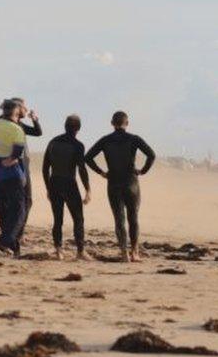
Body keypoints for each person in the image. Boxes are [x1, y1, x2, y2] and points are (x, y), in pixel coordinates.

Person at [85, 111, 156, 263]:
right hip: (131, 182)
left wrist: (101, 173)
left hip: (114, 182)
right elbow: (151, 155)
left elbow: (88, 157)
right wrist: (142, 171)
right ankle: (135, 253)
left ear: (112, 123)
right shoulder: (134, 139)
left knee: (119, 219)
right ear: (127, 123)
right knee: (133, 217)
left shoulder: (105, 140)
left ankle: (124, 253)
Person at [42, 114, 92, 260]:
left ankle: (59, 251)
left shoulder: (53, 142)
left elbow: (45, 168)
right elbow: (81, 169)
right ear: (78, 129)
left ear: (65, 126)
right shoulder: (78, 145)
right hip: (69, 184)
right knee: (78, 219)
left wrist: (48, 188)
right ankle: (80, 252)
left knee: (58, 220)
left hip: (54, 183)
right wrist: (87, 189)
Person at [0, 99, 28, 255]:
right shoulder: (16, 129)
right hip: (10, 172)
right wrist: (10, 160)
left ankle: (12, 246)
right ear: (16, 111)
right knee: (19, 210)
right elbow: (17, 152)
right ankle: (5, 241)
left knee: (3, 209)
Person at [9, 97, 42, 247]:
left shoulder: (20, 124)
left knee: (27, 201)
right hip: (17, 166)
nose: (26, 110)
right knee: (22, 202)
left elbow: (37, 132)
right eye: (24, 107)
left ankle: (18, 233)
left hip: (24, 166)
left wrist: (35, 119)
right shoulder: (11, 125)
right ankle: (15, 234)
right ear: (17, 108)